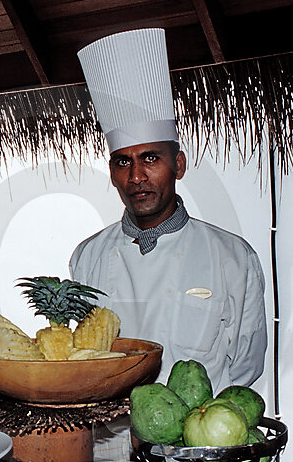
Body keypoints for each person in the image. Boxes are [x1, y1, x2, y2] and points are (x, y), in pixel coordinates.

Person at [69, 28, 268, 396]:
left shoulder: (233, 258)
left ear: (178, 164)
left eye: (150, 158)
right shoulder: (87, 257)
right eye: (122, 161)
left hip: (192, 443)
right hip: (108, 441)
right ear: (112, 172)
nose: (137, 175)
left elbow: (246, 364)